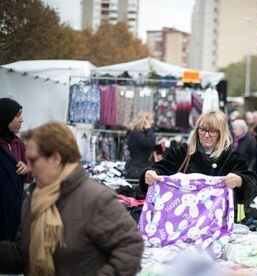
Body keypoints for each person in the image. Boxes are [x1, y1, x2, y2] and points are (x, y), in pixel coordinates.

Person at [0, 122, 144, 275]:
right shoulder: (33, 199)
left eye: (33, 160)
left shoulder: (96, 199)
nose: (28, 167)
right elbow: (23, 255)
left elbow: (131, 248)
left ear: (55, 159)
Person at [141, 110, 257, 212]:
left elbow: (253, 184)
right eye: (202, 129)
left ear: (221, 133)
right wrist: (150, 173)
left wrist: (240, 181)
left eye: (212, 131)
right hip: (182, 223)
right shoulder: (183, 153)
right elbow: (161, 168)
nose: (206, 135)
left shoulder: (232, 158)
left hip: (218, 225)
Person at [0, 98, 31, 241]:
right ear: (5, 116)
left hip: (14, 206)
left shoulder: (19, 144)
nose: (21, 120)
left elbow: (30, 175)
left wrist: (26, 169)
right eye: (17, 115)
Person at [124, 111, 156, 179]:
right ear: (145, 120)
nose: (153, 122)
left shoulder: (138, 132)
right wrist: (149, 130)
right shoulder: (136, 133)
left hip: (138, 167)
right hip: (137, 169)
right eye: (151, 119)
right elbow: (149, 143)